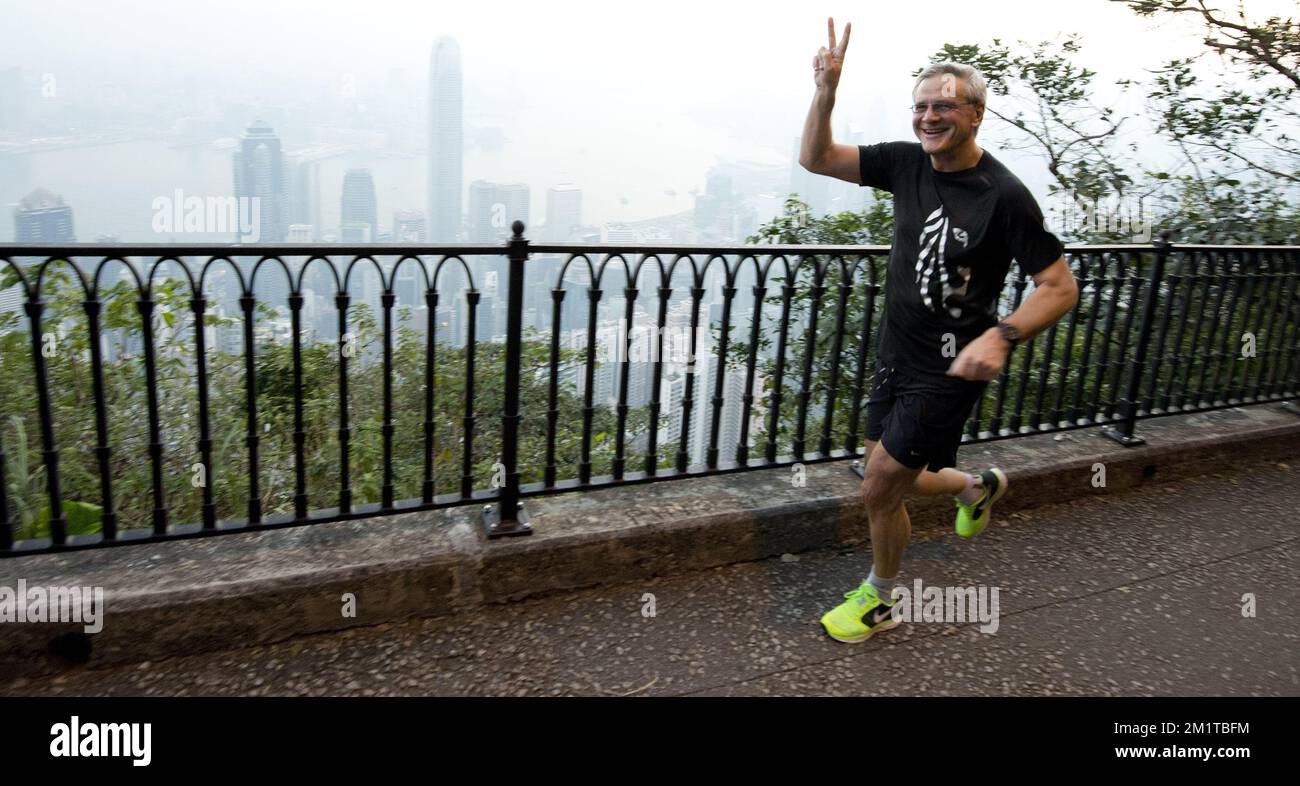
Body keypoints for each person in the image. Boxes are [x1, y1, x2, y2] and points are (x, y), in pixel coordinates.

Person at [798, 17, 1080, 643]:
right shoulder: (905, 164)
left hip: (950, 369)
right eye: (921, 106)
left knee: (877, 488)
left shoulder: (1003, 196)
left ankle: (881, 599)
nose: (929, 117)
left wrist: (1000, 336)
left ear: (975, 114)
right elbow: (816, 158)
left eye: (944, 106)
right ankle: (977, 488)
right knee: (888, 473)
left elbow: (1059, 287)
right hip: (897, 353)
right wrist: (827, 90)